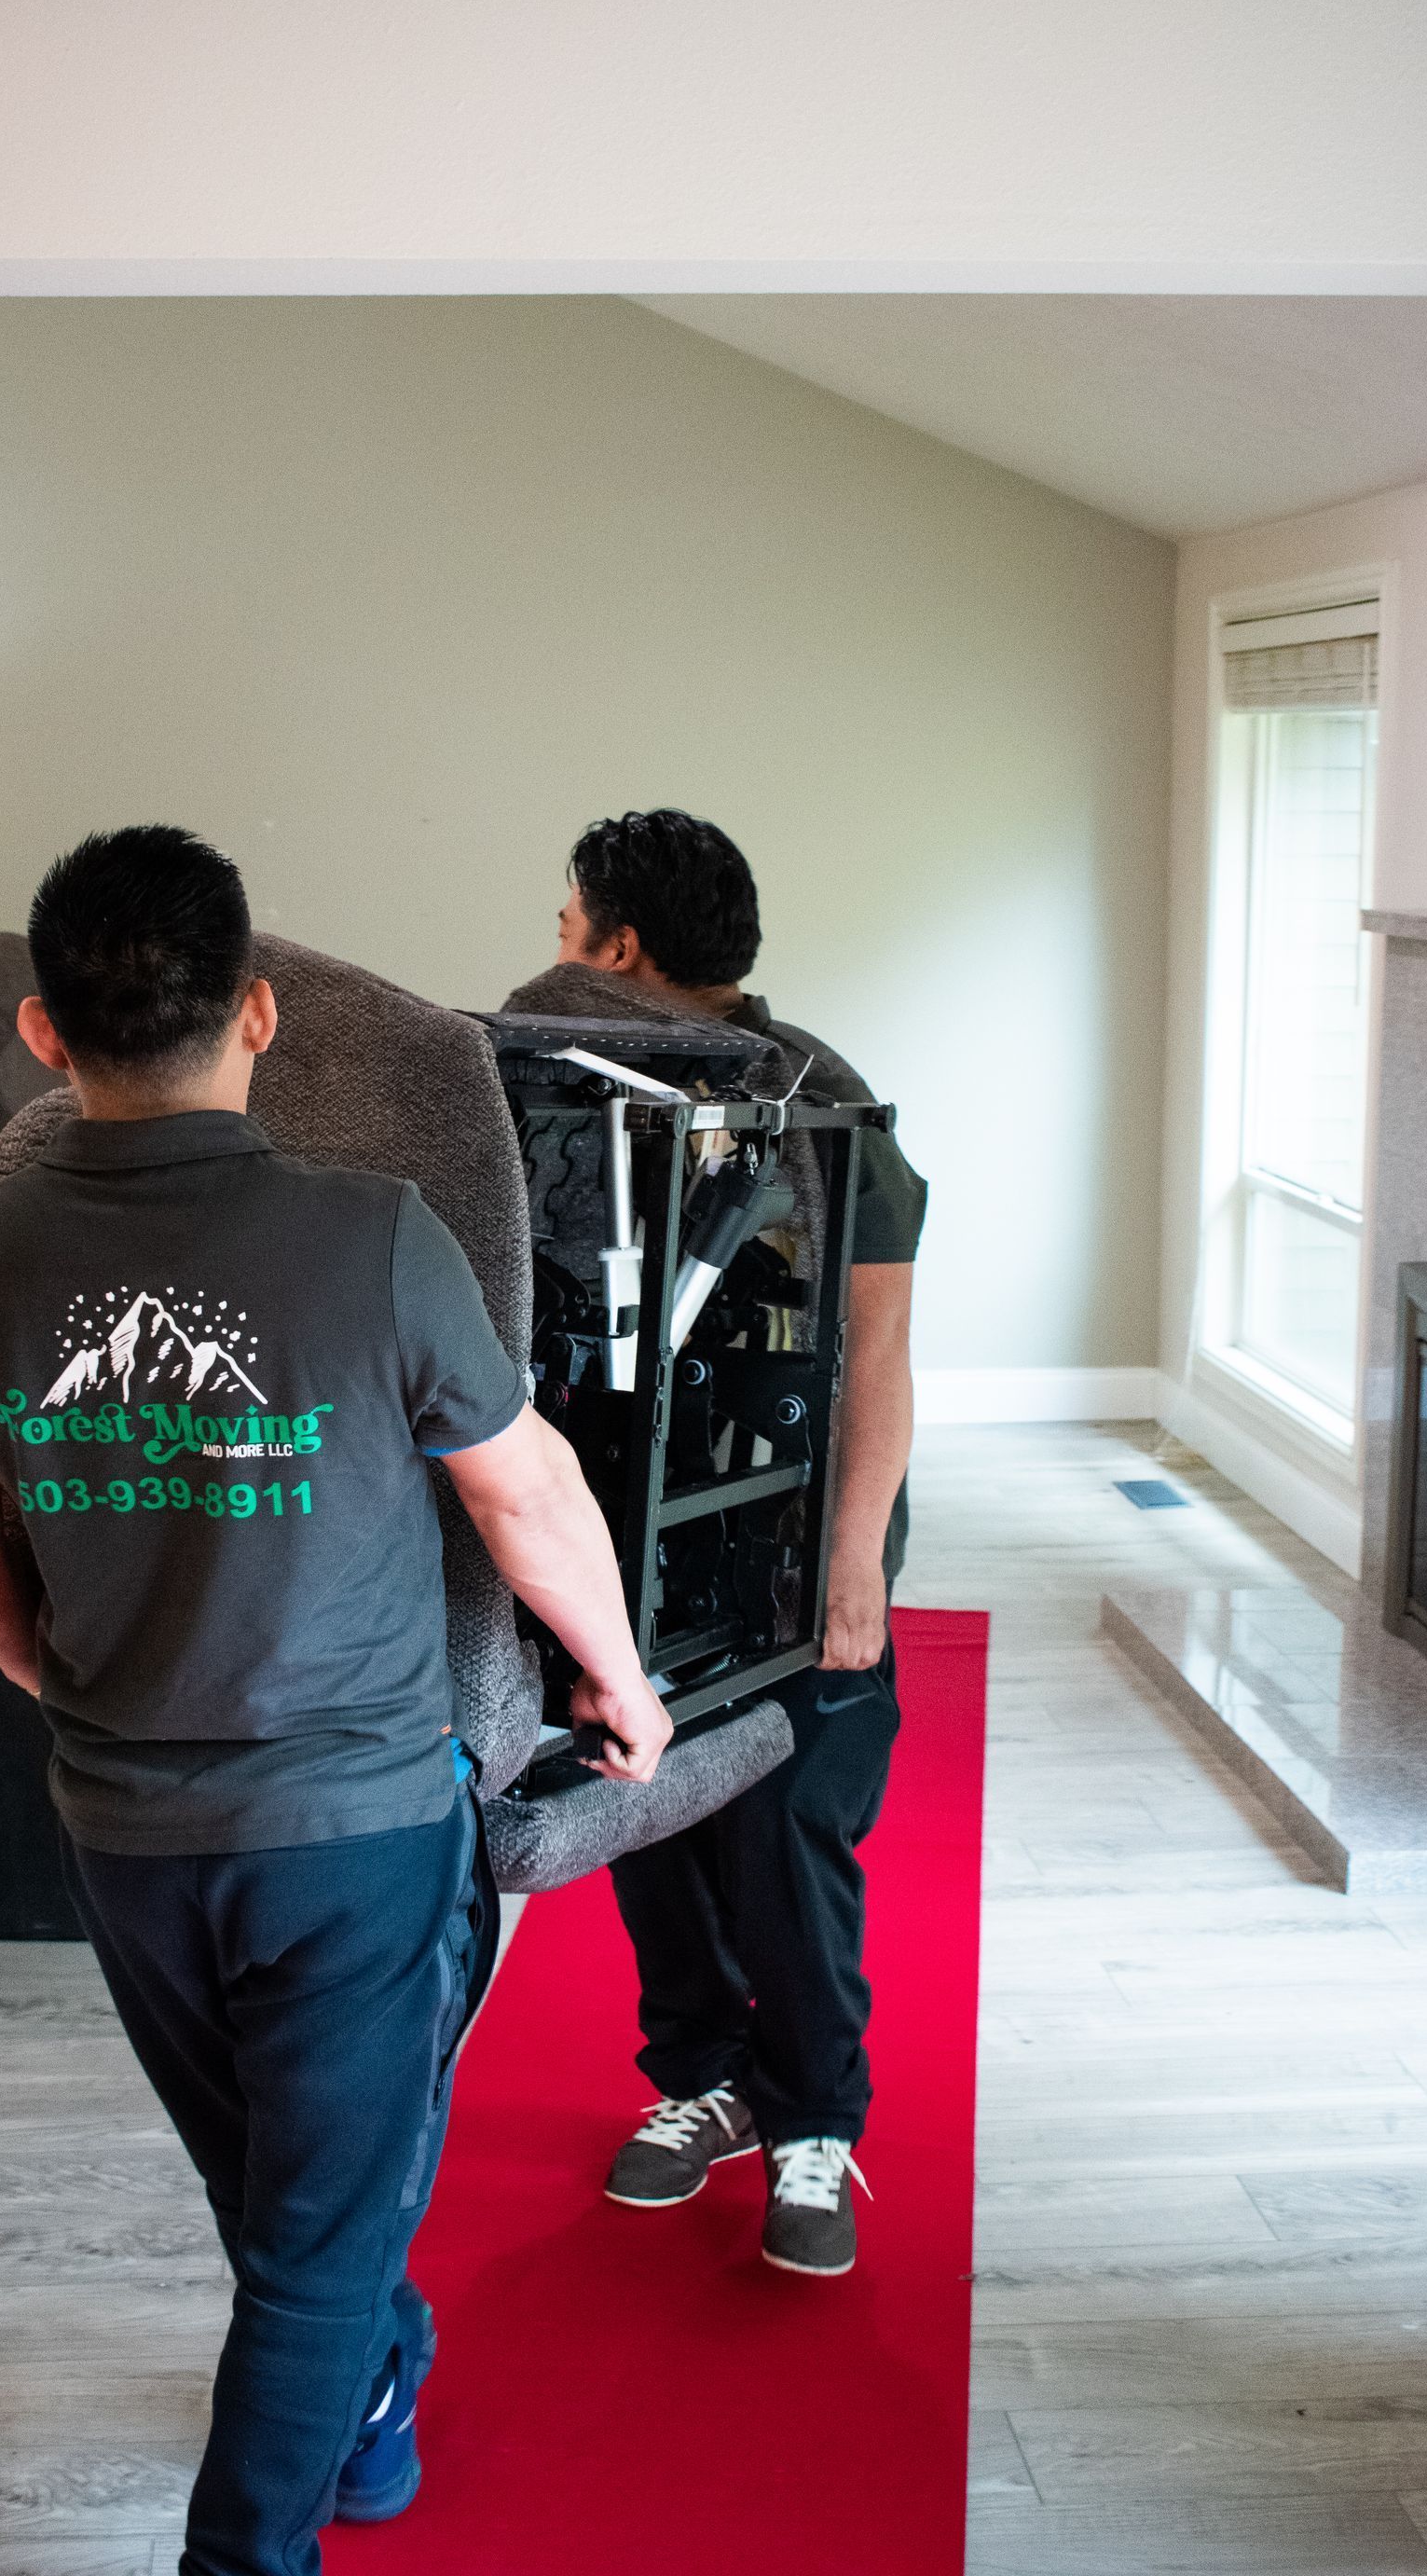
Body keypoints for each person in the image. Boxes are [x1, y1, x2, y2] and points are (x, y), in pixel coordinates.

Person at [0, 825, 671, 2576]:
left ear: (43, 1034)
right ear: (255, 1014)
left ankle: (374, 2394)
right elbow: (528, 1501)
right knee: (312, 2236)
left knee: (279, 2195)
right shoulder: (375, 1237)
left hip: (127, 1836)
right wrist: (624, 1688)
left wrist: (56, 1681)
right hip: (357, 1833)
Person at [553, 807, 927, 2279]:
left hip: (794, 1525)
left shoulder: (823, 1102)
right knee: (647, 1804)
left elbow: (878, 1351)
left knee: (786, 1821)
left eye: (569, 924)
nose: (556, 950)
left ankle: (814, 2119)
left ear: (619, 945)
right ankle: (705, 2075)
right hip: (634, 1521)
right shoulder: (564, 1094)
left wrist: (854, 1559)